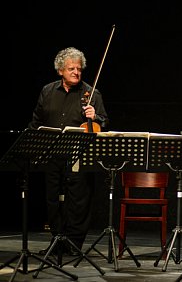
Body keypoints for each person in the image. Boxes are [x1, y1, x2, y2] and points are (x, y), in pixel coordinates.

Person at [29, 46, 109, 255]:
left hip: (79, 156)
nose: (76, 72)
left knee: (78, 201)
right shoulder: (47, 91)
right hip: (52, 154)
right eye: (71, 68)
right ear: (60, 71)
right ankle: (57, 241)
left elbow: (104, 122)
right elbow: (36, 121)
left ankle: (73, 245)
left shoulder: (91, 94)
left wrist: (95, 117)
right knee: (53, 199)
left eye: (79, 69)